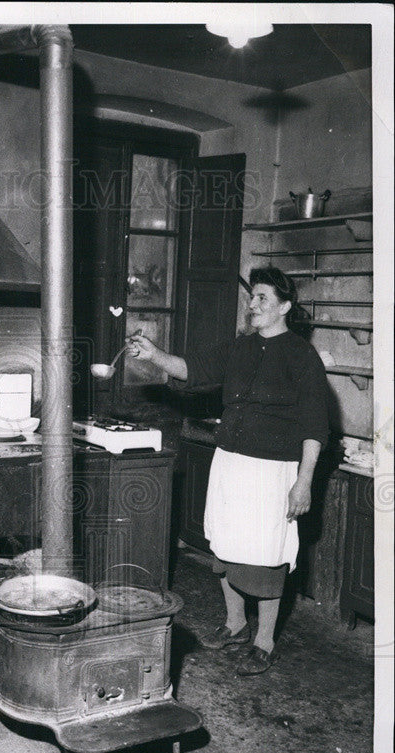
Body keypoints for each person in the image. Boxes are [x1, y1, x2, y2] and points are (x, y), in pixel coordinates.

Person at [128, 266, 329, 675]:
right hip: (231, 462)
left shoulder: (302, 357)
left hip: (273, 470)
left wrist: (303, 481)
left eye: (262, 299)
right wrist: (154, 355)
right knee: (225, 545)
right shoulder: (240, 348)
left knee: (267, 556)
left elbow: (314, 426)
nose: (252, 305)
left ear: (285, 307)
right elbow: (193, 368)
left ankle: (265, 640)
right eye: (251, 297)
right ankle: (236, 623)